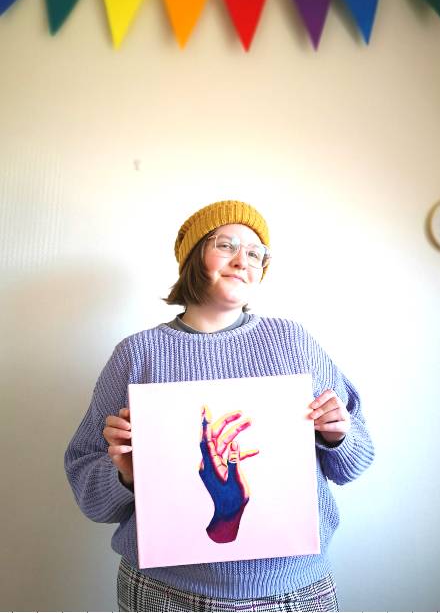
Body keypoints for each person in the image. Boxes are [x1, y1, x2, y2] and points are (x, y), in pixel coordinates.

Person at [65, 199, 374, 612]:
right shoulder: (137, 355)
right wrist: (126, 475)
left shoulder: (294, 342)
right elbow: (88, 491)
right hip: (165, 591)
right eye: (226, 245)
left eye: (255, 253)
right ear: (194, 256)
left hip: (297, 589)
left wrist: (338, 435)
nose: (242, 260)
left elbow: (356, 461)